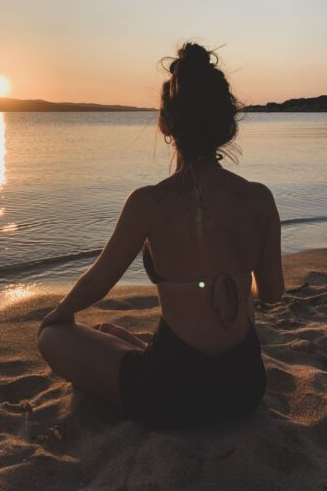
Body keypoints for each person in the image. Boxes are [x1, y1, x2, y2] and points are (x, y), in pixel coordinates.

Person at [37, 42, 284, 429]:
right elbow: (272, 293)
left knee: (52, 338)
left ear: (165, 125)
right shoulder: (259, 198)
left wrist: (58, 315)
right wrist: (230, 280)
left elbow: (98, 282)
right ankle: (135, 347)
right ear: (227, 125)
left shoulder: (149, 203)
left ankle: (128, 349)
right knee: (133, 343)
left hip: (173, 394)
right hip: (245, 386)